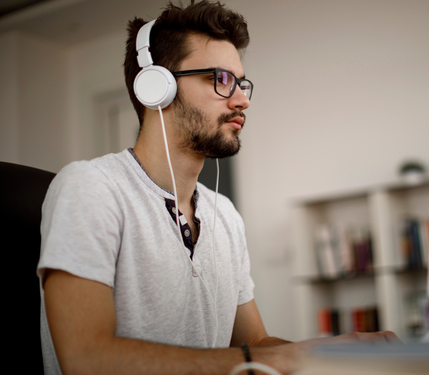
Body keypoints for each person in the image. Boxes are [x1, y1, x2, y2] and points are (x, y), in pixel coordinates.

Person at [37, 1, 399, 374]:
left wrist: (335, 353)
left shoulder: (223, 213)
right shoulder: (90, 189)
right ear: (155, 88)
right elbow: (87, 360)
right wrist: (270, 358)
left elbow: (254, 344)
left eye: (241, 83)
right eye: (220, 79)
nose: (241, 100)